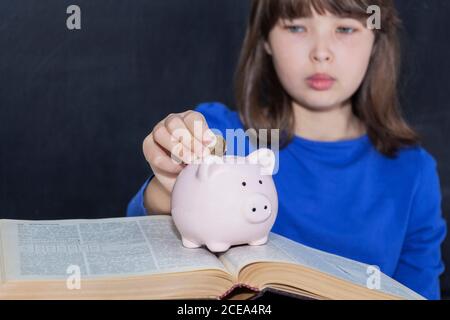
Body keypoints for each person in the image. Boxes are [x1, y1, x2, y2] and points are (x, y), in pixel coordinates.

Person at [127, 0, 447, 300]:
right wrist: (172, 186)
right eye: (296, 27)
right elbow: (140, 228)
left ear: (377, 39)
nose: (321, 53)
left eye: (346, 28)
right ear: (265, 39)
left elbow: (418, 290)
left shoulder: (412, 171)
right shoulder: (222, 136)